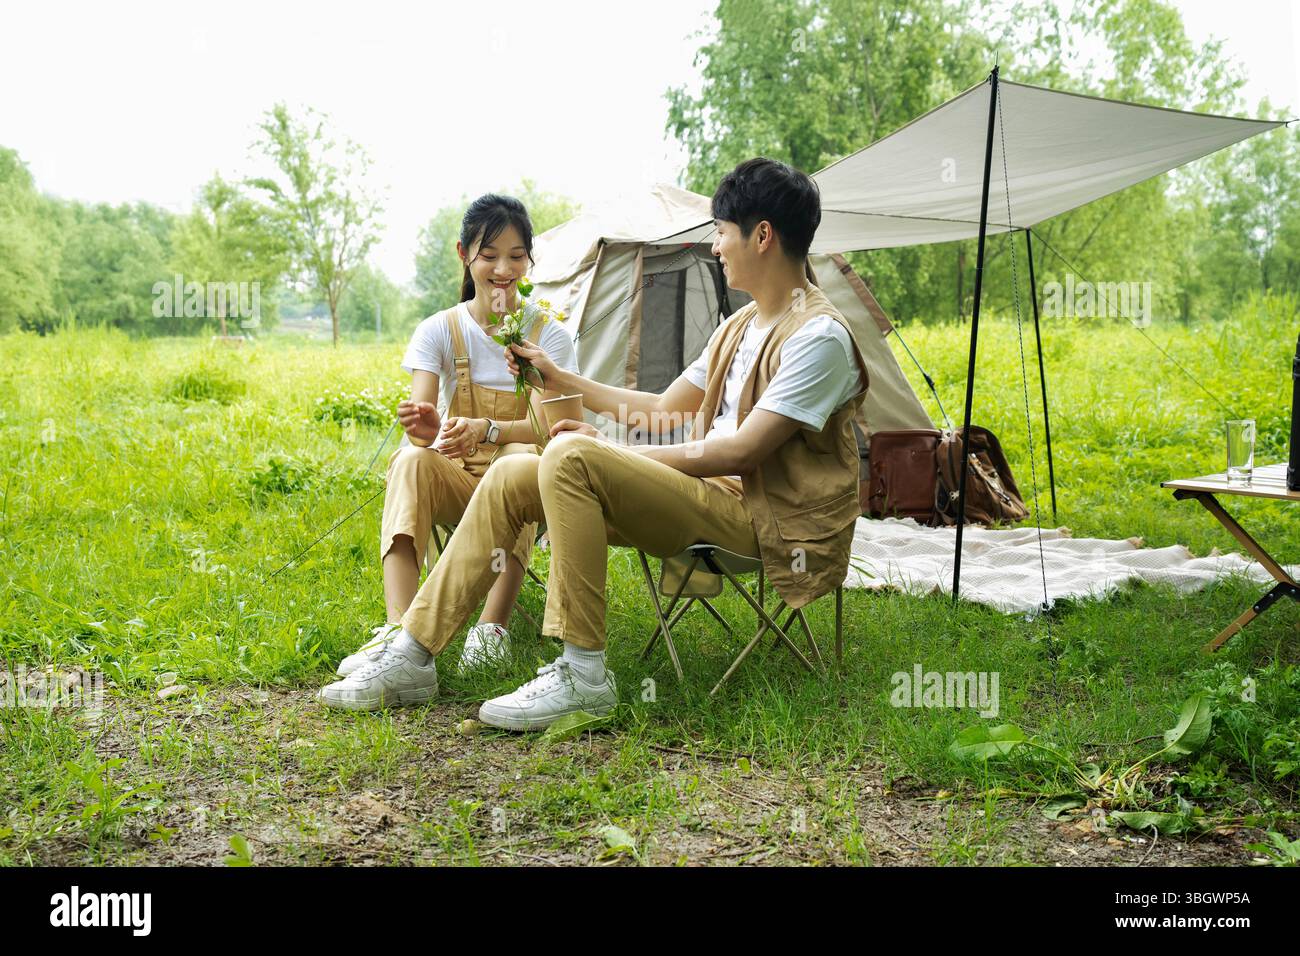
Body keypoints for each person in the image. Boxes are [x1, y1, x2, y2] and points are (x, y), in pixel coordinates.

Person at [318, 158, 870, 725]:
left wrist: (609, 452)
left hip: (756, 517)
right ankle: (413, 653)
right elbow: (660, 407)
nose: (715, 246)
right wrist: (561, 380)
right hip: (698, 495)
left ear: (762, 236)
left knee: (571, 451)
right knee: (513, 473)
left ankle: (583, 674)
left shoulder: (818, 337)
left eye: (722, 232)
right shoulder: (741, 325)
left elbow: (739, 453)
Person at [323, 194, 578, 703]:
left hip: (521, 490)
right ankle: (400, 633)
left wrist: (490, 429)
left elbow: (560, 431)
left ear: (530, 261)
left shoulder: (550, 336)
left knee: (523, 463)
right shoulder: (439, 329)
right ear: (465, 254)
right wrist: (427, 425)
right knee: (411, 459)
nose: (503, 269)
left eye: (516, 255)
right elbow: (423, 429)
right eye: (490, 255)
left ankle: (492, 628)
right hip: (459, 479)